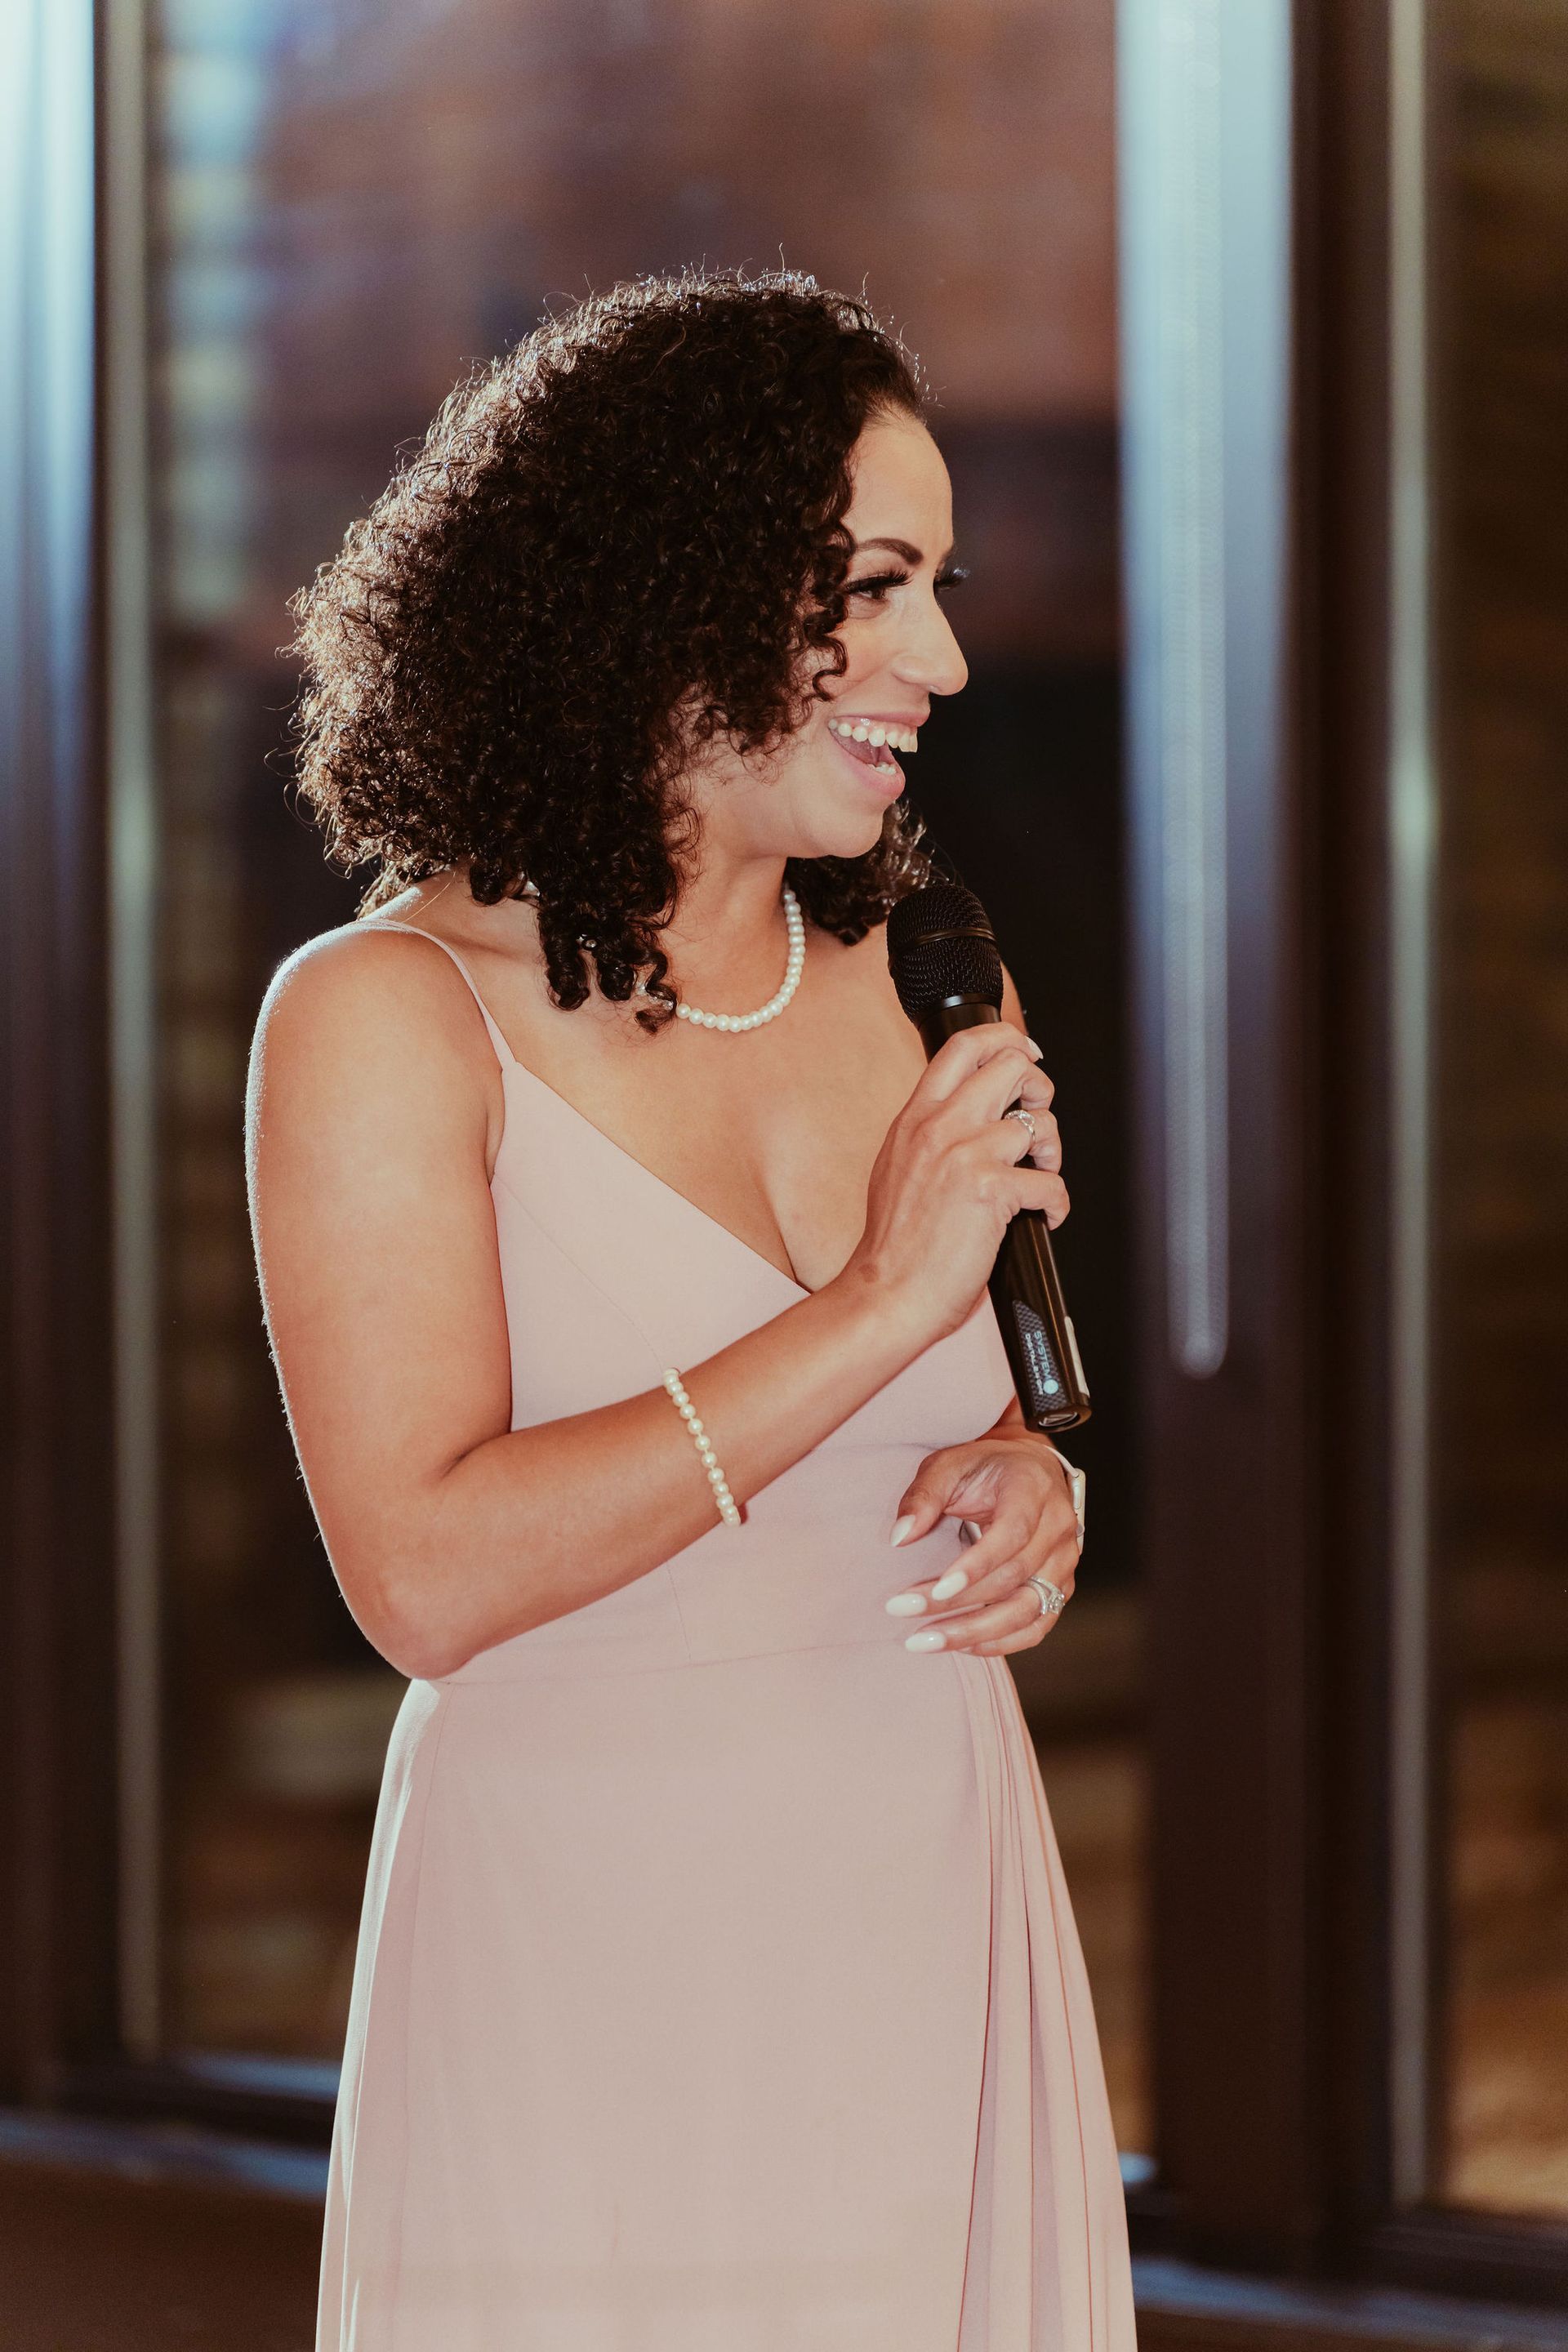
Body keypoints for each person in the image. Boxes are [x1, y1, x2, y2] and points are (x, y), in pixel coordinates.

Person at [247, 270, 1134, 2351]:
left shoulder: (938, 976)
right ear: (669, 589)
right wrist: (874, 1300)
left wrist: (1028, 1484)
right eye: (875, 588)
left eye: (938, 590)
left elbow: (976, 1407)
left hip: (928, 1909)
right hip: (583, 1967)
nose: (944, 658)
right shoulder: (384, 1018)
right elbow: (425, 1581)